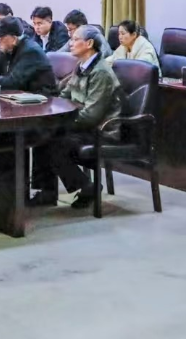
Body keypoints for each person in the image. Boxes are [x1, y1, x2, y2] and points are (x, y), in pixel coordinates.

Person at [31, 26, 124, 209]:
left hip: (101, 130)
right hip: (81, 125)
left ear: (89, 43)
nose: (70, 44)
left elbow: (91, 116)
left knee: (53, 142)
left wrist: (59, 122)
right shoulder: (81, 66)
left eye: (75, 39)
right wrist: (51, 112)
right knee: (40, 135)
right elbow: (64, 95)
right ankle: (47, 192)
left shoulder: (101, 72)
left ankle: (86, 186)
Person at [0, 16, 56, 95]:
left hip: (42, 99)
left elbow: (14, 82)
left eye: (1, 37)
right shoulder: (8, 49)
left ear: (14, 38)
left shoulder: (31, 51)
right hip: (20, 96)